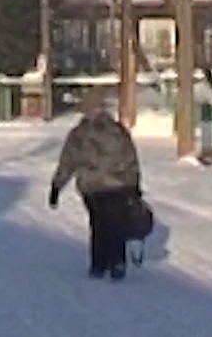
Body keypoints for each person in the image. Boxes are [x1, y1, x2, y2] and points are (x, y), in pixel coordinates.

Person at [48, 89, 143, 280]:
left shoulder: (78, 134)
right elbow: (130, 158)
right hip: (120, 185)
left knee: (99, 224)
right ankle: (117, 261)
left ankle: (99, 264)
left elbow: (68, 162)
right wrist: (135, 185)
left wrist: (57, 186)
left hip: (92, 188)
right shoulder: (118, 131)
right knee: (116, 223)